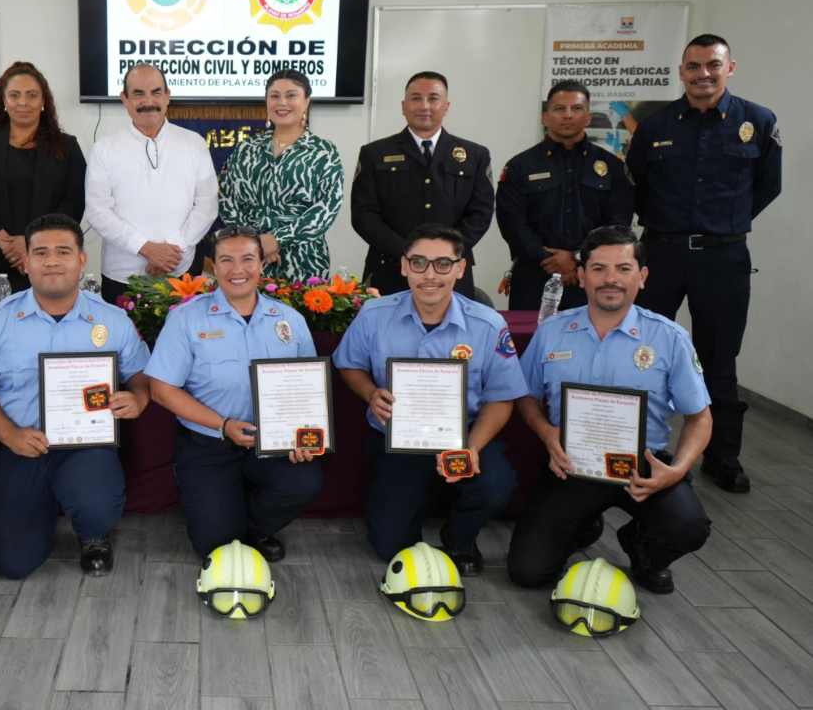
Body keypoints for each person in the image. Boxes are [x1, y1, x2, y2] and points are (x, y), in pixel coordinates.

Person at [507, 226, 712, 594]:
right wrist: (547, 432)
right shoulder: (552, 332)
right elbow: (525, 396)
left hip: (643, 466)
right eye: (599, 268)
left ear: (642, 276)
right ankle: (584, 524)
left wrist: (676, 471)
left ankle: (644, 548)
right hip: (573, 465)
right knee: (528, 572)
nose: (610, 279)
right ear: (581, 275)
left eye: (623, 268)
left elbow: (700, 417)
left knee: (688, 526)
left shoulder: (668, 338)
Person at [0, 213, 150, 578]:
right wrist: (10, 435)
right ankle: (18, 496)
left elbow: (140, 375)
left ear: (81, 260)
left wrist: (138, 398)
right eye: (41, 253)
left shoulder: (113, 321)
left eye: (63, 251)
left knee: (97, 503)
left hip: (87, 445)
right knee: (13, 564)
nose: (53, 261)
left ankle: (93, 533)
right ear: (24, 262)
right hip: (20, 442)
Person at [627, 34, 782, 494]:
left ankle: (722, 456)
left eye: (712, 65)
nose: (703, 74)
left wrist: (726, 223)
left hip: (724, 256)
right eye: (693, 66)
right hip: (662, 253)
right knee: (643, 351)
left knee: (719, 358)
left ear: (729, 68)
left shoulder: (757, 121)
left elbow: (767, 185)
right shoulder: (654, 125)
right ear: (681, 71)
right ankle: (641, 445)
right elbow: (636, 187)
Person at [334, 223, 528, 575]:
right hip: (397, 437)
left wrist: (470, 447)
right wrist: (369, 392)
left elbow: (501, 398)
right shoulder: (374, 315)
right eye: (419, 262)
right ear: (404, 265)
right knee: (390, 548)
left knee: (495, 486)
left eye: (442, 264)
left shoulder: (487, 324)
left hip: (463, 434)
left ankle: (460, 535)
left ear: (460, 268)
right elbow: (349, 365)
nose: (430, 274)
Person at [146, 226, 322, 561]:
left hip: (271, 443)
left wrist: (304, 437)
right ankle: (228, 527)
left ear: (262, 265)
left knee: (304, 483)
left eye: (247, 259)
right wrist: (223, 424)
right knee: (214, 547)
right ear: (212, 265)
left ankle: (254, 530)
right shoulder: (186, 318)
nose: (237, 269)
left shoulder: (289, 320)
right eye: (226, 260)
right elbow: (161, 390)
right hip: (207, 445)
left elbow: (307, 388)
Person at [351, 72, 494, 298]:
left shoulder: (475, 155)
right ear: (403, 106)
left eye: (433, 98)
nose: (424, 105)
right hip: (390, 268)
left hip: (452, 271)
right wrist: (407, 253)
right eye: (416, 98)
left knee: (454, 333)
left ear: (446, 106)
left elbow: (481, 213)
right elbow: (363, 214)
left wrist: (446, 253)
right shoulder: (375, 153)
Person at [85, 64, 218, 304]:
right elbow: (97, 210)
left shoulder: (193, 143)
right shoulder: (105, 148)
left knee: (184, 341)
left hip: (181, 271)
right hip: (122, 274)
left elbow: (207, 206)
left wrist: (170, 251)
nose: (149, 101)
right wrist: (145, 248)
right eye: (138, 94)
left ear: (168, 96)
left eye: (156, 92)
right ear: (124, 99)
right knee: (126, 340)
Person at [0, 61, 87, 308]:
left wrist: (30, 244)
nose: (23, 103)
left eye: (31, 95)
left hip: (48, 259)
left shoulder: (67, 147)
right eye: (14, 95)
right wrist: (7, 243)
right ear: (3, 101)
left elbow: (73, 202)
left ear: (43, 102)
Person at [496, 80, 634, 311]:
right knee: (529, 345)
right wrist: (551, 261)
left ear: (588, 117)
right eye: (560, 108)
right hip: (534, 278)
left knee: (592, 345)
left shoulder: (612, 167)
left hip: (593, 277)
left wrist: (578, 258)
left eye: (577, 109)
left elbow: (617, 224)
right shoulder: (520, 166)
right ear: (546, 117)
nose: (568, 115)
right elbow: (511, 223)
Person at [218, 69, 345, 281]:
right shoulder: (246, 148)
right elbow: (227, 200)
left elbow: (327, 207)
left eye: (291, 95)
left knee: (301, 313)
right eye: (274, 96)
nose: (282, 102)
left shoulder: (323, 151)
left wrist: (277, 239)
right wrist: (255, 242)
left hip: (304, 258)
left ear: (306, 101)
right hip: (248, 257)